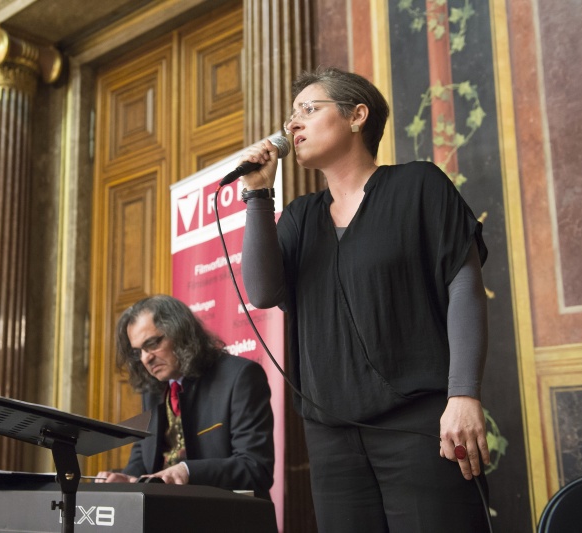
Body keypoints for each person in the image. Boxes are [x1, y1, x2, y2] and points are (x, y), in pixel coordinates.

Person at [239, 67, 491, 532]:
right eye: (291, 115)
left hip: (420, 423)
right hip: (331, 436)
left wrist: (463, 395)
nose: (292, 124)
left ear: (357, 116)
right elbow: (262, 291)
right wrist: (258, 194)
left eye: (309, 110)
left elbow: (464, 286)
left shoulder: (419, 185)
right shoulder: (299, 217)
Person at [96, 294, 274, 499]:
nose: (146, 358)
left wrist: (187, 471)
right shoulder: (153, 389)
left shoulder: (240, 376)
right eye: (138, 352)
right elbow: (143, 456)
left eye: (153, 343)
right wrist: (128, 478)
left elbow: (255, 468)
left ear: (181, 334)